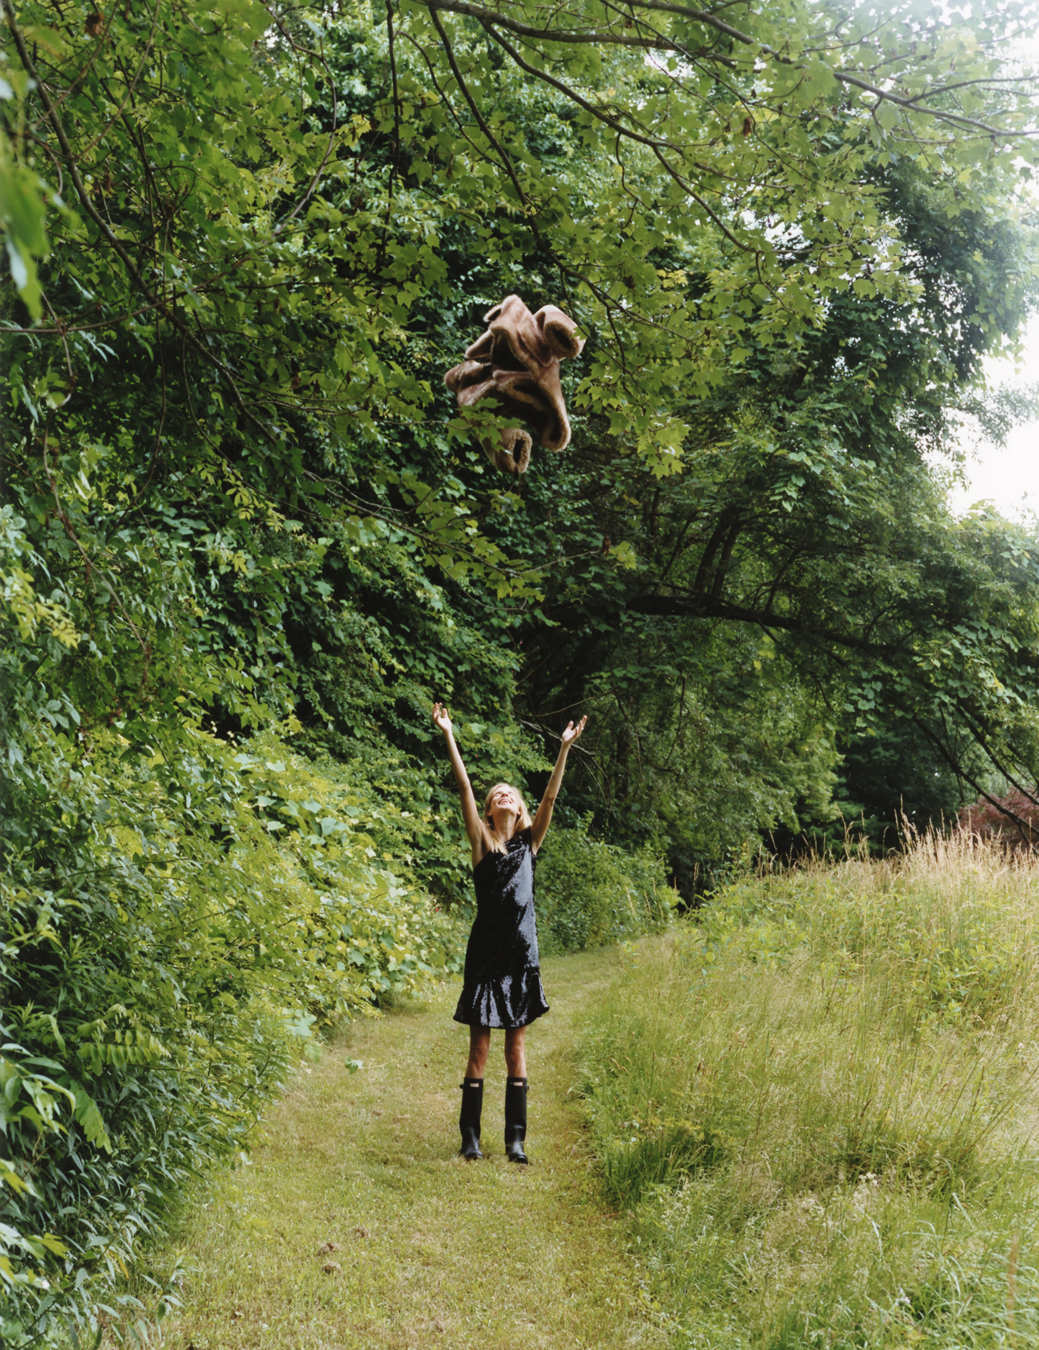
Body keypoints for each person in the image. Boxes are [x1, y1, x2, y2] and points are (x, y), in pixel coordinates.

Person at [432, 702, 587, 1163]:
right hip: (486, 957)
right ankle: (470, 1139)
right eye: (496, 793)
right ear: (489, 807)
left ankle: (515, 1140)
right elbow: (462, 787)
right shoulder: (481, 842)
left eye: (510, 793)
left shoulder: (529, 843)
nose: (503, 795)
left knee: (514, 1048)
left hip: (522, 959)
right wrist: (448, 733)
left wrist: (563, 748)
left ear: (519, 809)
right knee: (479, 1047)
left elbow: (551, 800)